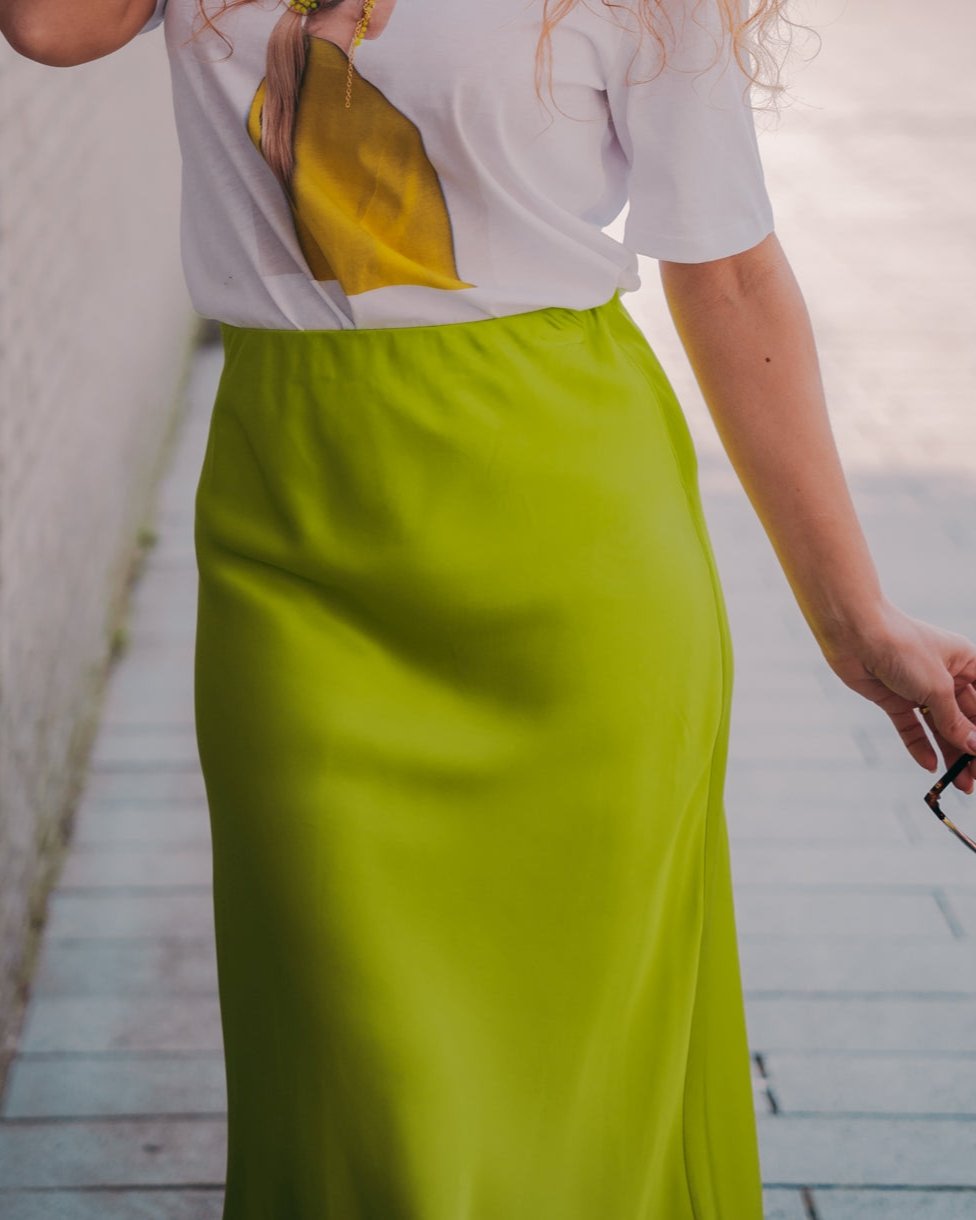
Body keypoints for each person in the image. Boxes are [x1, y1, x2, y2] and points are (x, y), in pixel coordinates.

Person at [5, 0, 975, 1215]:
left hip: (570, 565)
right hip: (292, 545)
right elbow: (44, 27)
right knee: (356, 1084)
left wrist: (856, 616)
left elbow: (725, 270)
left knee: (584, 1104)